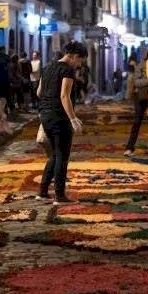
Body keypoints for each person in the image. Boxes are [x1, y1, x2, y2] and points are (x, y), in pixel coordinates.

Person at [36, 41, 87, 205]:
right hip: (60, 117)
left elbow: (38, 92)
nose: (79, 65)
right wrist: (73, 118)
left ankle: (43, 191)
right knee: (62, 156)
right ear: (73, 57)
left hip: (45, 115)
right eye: (80, 61)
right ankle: (59, 196)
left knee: (54, 155)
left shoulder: (48, 67)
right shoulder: (67, 70)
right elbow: (64, 95)